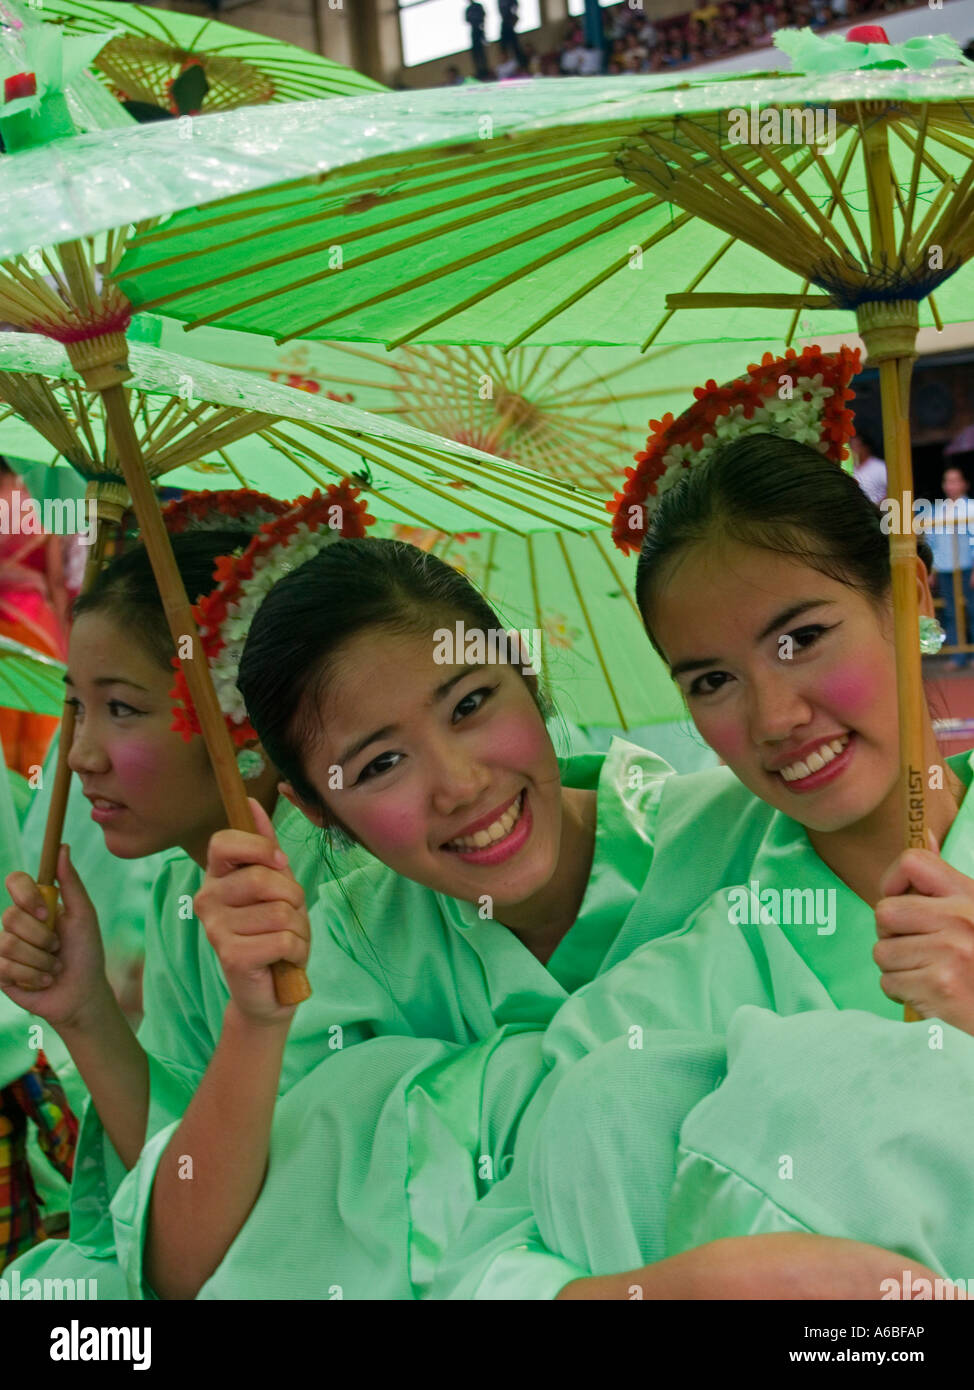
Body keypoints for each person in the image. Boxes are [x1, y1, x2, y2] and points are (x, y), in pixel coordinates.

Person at [104, 533, 899, 1302]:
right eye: (382, 764)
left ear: (531, 676)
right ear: (320, 813)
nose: (458, 785)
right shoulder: (355, 949)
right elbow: (188, 1267)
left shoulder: (747, 831)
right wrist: (254, 1022)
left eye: (471, 704)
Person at [433, 348, 974, 1297]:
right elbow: (481, 1263)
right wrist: (689, 1287)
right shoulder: (691, 978)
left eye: (801, 639)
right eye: (713, 681)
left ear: (911, 598)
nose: (773, 718)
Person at [0, 489, 367, 1292]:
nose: (78, 754)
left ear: (244, 717)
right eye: (74, 707)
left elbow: (284, 1227)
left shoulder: (352, 890)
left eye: (121, 709)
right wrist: (84, 1009)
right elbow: (180, 1194)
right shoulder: (187, 890)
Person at [924, 464, 974, 670]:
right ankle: (958, 655)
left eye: (955, 480)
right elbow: (932, 542)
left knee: (972, 610)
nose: (951, 485)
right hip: (945, 568)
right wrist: (932, 569)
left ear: (964, 484)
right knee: (952, 613)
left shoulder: (971, 508)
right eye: (948, 481)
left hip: (967, 568)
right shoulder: (938, 510)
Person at [849, 428, 887, 505]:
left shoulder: (880, 467)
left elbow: (895, 490)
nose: (851, 450)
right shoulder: (850, 468)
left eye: (854, 446)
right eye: (850, 446)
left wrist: (876, 508)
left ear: (865, 448)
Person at [465, 0, 491, 80]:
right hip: (474, 31)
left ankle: (485, 70)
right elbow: (467, 19)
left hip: (480, 29)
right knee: (476, 53)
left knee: (482, 52)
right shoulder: (468, 9)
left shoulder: (478, 6)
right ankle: (480, 71)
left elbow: (483, 15)